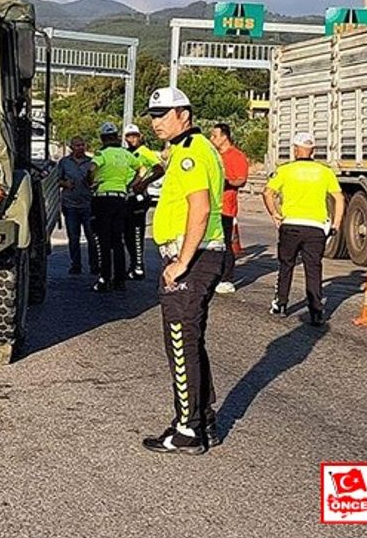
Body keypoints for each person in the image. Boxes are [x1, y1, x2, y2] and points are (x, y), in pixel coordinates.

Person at [140, 87, 225, 455]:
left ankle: (187, 429)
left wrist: (181, 263)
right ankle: (203, 420)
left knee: (180, 343)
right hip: (200, 256)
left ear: (184, 115)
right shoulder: (190, 150)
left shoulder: (191, 153)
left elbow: (200, 209)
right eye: (153, 115)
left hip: (193, 259)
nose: (156, 121)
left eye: (164, 114)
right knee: (192, 342)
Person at [262, 131, 345, 326]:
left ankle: (280, 303)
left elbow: (267, 192)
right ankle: (316, 311)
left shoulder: (285, 170)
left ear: (295, 150)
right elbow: (339, 199)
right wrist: (336, 224)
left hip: (290, 225)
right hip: (316, 228)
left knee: (286, 265)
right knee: (313, 268)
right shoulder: (325, 172)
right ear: (313, 150)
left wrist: (275, 214)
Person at [88, 122, 146, 293]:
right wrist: (131, 184)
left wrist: (92, 182)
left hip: (103, 199)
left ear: (102, 138)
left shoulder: (102, 154)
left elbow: (91, 169)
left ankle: (105, 278)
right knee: (118, 241)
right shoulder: (125, 154)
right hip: (121, 199)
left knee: (104, 241)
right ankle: (120, 280)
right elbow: (141, 169)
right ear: (116, 136)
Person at [209, 123, 249, 294]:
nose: (212, 139)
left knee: (226, 243)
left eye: (214, 136)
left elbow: (241, 179)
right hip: (210, 207)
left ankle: (227, 278)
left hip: (226, 208)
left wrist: (227, 181)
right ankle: (212, 275)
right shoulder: (214, 155)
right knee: (211, 244)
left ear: (224, 136)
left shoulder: (237, 156)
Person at [123, 124, 164, 280]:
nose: (132, 139)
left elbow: (160, 169)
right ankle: (133, 264)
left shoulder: (145, 152)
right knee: (127, 233)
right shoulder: (128, 153)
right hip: (128, 196)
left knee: (137, 232)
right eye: (129, 136)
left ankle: (139, 266)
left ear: (140, 136)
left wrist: (145, 183)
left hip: (139, 196)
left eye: (135, 135)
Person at [55, 136, 97, 275]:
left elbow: (97, 179)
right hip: (70, 205)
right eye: (77, 145)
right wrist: (65, 183)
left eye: (82, 145)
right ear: (71, 147)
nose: (80, 148)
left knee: (92, 237)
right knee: (74, 238)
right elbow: (56, 179)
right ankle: (76, 265)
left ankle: (94, 265)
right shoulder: (64, 162)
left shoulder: (91, 162)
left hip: (88, 204)